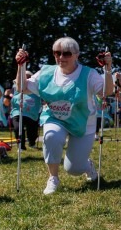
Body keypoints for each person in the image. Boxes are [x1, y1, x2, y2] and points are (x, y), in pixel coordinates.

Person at [15, 37, 113, 195]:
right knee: (51, 136)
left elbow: (106, 92)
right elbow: (22, 88)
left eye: (66, 54)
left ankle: (87, 166)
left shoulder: (89, 74)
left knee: (74, 169)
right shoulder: (46, 72)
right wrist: (21, 64)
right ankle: (53, 178)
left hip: (83, 122)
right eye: (57, 53)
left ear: (76, 55)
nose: (61, 57)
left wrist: (108, 69)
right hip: (55, 118)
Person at [10, 71, 42, 149]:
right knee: (18, 128)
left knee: (32, 130)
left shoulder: (36, 87)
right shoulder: (15, 87)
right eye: (23, 77)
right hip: (17, 112)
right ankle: (21, 146)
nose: (25, 79)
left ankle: (32, 142)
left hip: (32, 113)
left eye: (27, 77)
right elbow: (10, 100)